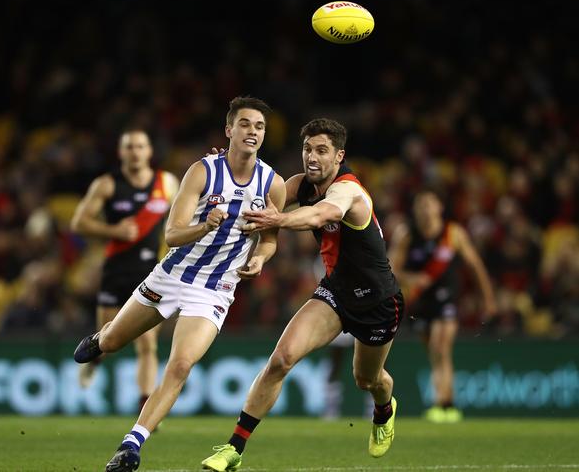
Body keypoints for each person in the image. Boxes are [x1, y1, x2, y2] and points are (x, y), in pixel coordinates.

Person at [73, 96, 286, 472]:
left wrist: (260, 258)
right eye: (246, 124)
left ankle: (132, 445)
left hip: (215, 290)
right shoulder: (202, 172)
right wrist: (206, 225)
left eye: (260, 127)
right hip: (170, 277)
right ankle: (101, 338)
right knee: (112, 342)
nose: (253, 132)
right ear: (229, 130)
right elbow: (171, 235)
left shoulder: (273, 184)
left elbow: (270, 239)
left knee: (181, 364)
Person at [201, 118, 405, 472]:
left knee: (366, 379)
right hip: (335, 293)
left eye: (322, 151)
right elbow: (260, 191)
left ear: (339, 156)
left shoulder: (348, 191)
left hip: (378, 301)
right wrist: (228, 165)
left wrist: (275, 221)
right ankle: (233, 448)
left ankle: (385, 409)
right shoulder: (301, 184)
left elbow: (319, 215)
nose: (312, 157)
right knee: (281, 359)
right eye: (308, 149)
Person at [70, 129, 179, 411]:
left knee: (147, 345)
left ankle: (145, 406)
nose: (135, 152)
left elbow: (184, 216)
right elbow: (79, 222)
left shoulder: (166, 183)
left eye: (140, 146)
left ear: (149, 151)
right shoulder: (106, 185)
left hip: (151, 273)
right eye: (129, 147)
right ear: (121, 153)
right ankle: (93, 363)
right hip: (115, 270)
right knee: (107, 339)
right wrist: (112, 230)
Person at [387, 188, 497, 423]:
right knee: (435, 353)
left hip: (447, 298)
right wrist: (411, 279)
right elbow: (390, 269)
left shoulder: (452, 233)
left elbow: (475, 266)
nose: (425, 209)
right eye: (421, 204)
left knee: (440, 345)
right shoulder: (406, 234)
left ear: (440, 207)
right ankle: (447, 404)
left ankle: (444, 403)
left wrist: (488, 299)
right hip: (421, 301)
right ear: (415, 209)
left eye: (430, 204)